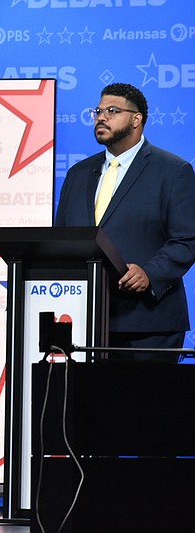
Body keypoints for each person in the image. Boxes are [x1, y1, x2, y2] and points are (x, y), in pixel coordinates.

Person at [55, 83, 195, 362]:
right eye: (98, 111)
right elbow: (62, 239)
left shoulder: (173, 171)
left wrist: (150, 273)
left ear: (136, 119)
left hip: (149, 324)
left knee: (146, 406)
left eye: (112, 110)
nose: (101, 117)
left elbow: (187, 239)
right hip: (87, 322)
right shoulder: (78, 174)